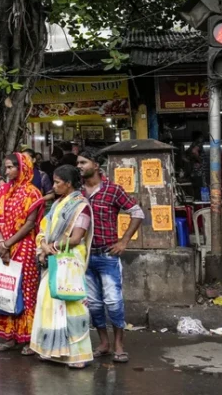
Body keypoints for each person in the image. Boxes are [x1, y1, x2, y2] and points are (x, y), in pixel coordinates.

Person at [77, 148, 144, 364]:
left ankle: (119, 345)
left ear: (96, 165)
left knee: (114, 302)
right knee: (94, 304)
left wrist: (124, 241)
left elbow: (137, 212)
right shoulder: (77, 192)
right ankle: (104, 343)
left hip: (107, 255)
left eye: (83, 162)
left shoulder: (113, 190)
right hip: (85, 257)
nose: (79, 166)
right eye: (78, 163)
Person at [30, 165, 94, 368]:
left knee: (71, 305)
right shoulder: (57, 204)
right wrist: (43, 245)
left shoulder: (80, 205)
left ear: (69, 184)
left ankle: (77, 355)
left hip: (69, 261)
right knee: (49, 303)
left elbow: (76, 237)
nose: (54, 186)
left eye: (58, 182)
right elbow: (43, 229)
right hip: (52, 258)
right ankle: (53, 350)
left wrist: (52, 247)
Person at [0, 152, 45, 355]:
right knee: (7, 290)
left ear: (22, 168)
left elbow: (30, 223)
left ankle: (29, 338)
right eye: (5, 168)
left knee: (26, 291)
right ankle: (8, 337)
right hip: (5, 246)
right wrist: (1, 242)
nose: (7, 171)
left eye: (10, 167)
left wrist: (9, 243)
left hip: (25, 246)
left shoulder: (33, 193)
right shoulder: (5, 190)